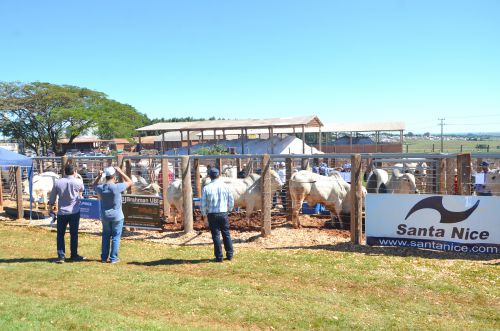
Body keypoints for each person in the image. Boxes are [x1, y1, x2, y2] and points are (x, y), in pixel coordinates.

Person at [93, 166, 133, 263]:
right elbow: (130, 181)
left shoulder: (101, 188)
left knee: (106, 236)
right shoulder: (117, 187)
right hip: (117, 216)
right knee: (116, 237)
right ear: (114, 177)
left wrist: (98, 176)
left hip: (105, 216)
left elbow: (94, 185)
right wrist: (121, 172)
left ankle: (103, 258)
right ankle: (113, 258)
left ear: (105, 177)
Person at [48, 164, 85, 263]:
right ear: (74, 172)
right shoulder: (78, 181)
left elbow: (52, 197)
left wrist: (50, 207)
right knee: (74, 234)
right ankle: (74, 255)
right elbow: (82, 189)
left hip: (62, 212)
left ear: (64, 172)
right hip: (74, 211)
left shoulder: (58, 182)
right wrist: (76, 177)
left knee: (60, 234)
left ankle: (61, 256)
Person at [201, 168, 234, 262]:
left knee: (216, 235)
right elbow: (231, 200)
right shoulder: (225, 186)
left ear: (209, 176)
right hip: (223, 213)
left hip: (212, 214)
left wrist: (204, 215)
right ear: (218, 175)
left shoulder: (206, 188)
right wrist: (229, 210)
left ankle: (219, 257)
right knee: (226, 234)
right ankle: (230, 254)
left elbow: (203, 203)